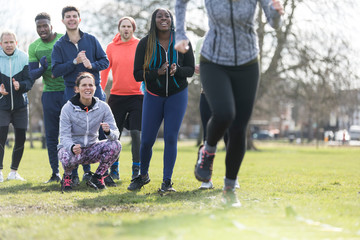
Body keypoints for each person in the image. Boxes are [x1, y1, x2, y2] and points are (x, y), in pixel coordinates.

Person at [175, 0, 284, 206]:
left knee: (239, 127)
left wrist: (276, 13)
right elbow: (181, 2)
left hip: (247, 62)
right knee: (224, 113)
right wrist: (180, 34)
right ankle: (208, 151)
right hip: (213, 60)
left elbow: (274, 22)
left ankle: (229, 189)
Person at [128, 8, 195, 192]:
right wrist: (156, 72)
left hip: (177, 95)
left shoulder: (182, 41)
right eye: (160, 16)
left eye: (167, 16)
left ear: (172, 20)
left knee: (171, 137)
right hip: (154, 95)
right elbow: (136, 74)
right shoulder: (145, 43)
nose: (164, 19)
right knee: (147, 140)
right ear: (154, 20)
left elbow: (190, 69)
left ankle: (167, 182)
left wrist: (177, 70)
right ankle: (142, 176)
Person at [52, 6, 111, 186]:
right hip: (72, 91)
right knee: (74, 131)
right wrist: (74, 62)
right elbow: (55, 70)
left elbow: (105, 61)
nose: (71, 19)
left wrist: (90, 64)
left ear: (79, 19)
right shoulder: (59, 45)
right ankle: (73, 174)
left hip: (95, 91)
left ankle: (100, 175)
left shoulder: (91, 40)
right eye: (68, 16)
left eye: (74, 16)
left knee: (100, 130)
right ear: (63, 21)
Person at [57, 72, 121, 191]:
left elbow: (116, 134)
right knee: (65, 154)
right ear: (77, 89)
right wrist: (71, 147)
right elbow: (64, 136)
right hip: (74, 150)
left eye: (91, 85)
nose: (88, 88)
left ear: (95, 88)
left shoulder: (103, 107)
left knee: (116, 144)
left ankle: (97, 177)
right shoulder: (67, 108)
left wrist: (108, 132)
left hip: (92, 149)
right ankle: (67, 177)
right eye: (84, 85)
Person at [100, 16, 143, 185]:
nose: (126, 29)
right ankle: (114, 169)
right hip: (117, 97)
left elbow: (146, 67)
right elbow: (104, 71)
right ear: (119, 29)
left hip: (137, 96)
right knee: (113, 136)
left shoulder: (140, 45)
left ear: (133, 29)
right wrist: (100, 91)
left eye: (129, 26)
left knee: (136, 133)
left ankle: (136, 169)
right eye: (123, 26)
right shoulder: (111, 47)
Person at [28, 12, 64, 183]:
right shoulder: (34, 47)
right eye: (39, 27)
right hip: (49, 93)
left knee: (70, 133)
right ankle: (55, 172)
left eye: (44, 25)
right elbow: (32, 74)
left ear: (51, 26)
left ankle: (71, 173)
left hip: (68, 92)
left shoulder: (63, 40)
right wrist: (42, 69)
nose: (42, 29)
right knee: (51, 134)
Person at [0, 31, 35, 182]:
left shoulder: (24, 57)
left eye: (11, 42)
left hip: (21, 106)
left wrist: (20, 85)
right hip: (2, 105)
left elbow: (30, 81)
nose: (9, 45)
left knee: (21, 138)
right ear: (1, 44)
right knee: (1, 139)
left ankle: (14, 172)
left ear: (16, 42)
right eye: (5, 42)